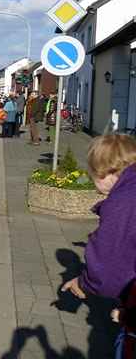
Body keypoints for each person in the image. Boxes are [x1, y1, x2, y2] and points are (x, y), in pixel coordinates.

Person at [61, 135, 136, 347]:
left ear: (107, 172)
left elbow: (108, 269)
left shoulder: (122, 204)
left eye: (93, 173)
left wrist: (84, 283)